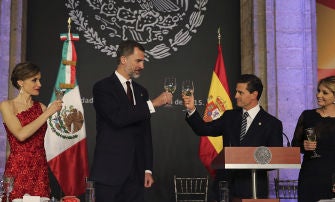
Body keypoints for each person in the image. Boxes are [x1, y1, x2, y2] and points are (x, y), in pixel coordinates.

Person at [90, 40, 172, 202]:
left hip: (136, 175)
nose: (142, 66)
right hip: (109, 173)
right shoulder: (102, 88)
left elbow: (145, 133)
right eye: (138, 60)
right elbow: (118, 118)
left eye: (143, 61)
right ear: (123, 60)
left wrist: (147, 168)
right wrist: (153, 104)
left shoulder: (142, 92)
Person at [182, 74, 283, 200]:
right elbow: (203, 129)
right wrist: (191, 109)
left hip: (252, 188)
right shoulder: (229, 117)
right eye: (236, 92)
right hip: (225, 187)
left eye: (240, 92)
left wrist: (250, 157)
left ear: (254, 94)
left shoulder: (272, 124)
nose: (235, 96)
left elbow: (275, 159)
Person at [0, 62, 63, 200]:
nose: (39, 84)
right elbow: (21, 134)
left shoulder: (41, 107)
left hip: (40, 171)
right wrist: (48, 113)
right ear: (20, 82)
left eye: (39, 79)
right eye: (34, 80)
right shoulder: (7, 105)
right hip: (17, 171)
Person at [291, 76, 335, 202]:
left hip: (334, 178)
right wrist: (303, 146)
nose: (319, 95)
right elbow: (294, 145)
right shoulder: (307, 116)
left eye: (325, 92)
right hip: (308, 175)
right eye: (318, 91)